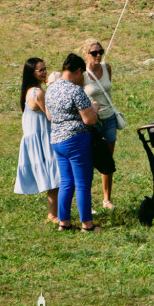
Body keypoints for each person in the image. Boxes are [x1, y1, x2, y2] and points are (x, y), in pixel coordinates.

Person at [45, 53, 102, 232]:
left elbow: (49, 115)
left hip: (57, 141)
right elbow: (89, 121)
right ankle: (87, 225)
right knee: (83, 183)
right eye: (82, 74)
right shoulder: (76, 91)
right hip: (76, 141)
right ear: (78, 71)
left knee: (66, 182)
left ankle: (64, 222)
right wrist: (94, 110)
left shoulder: (51, 89)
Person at [14, 58, 60, 222]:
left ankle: (54, 213)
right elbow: (51, 115)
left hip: (37, 138)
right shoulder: (38, 92)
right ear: (32, 73)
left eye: (45, 69)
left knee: (54, 178)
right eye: (40, 70)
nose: (44, 72)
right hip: (43, 139)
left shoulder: (29, 91)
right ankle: (53, 214)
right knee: (55, 178)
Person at [82, 38, 117, 210]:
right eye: (94, 53)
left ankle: (107, 199)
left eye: (100, 52)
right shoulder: (82, 75)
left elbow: (108, 89)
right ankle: (87, 202)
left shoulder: (107, 67)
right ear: (86, 55)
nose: (98, 55)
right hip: (93, 122)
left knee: (108, 160)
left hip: (109, 118)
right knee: (89, 160)